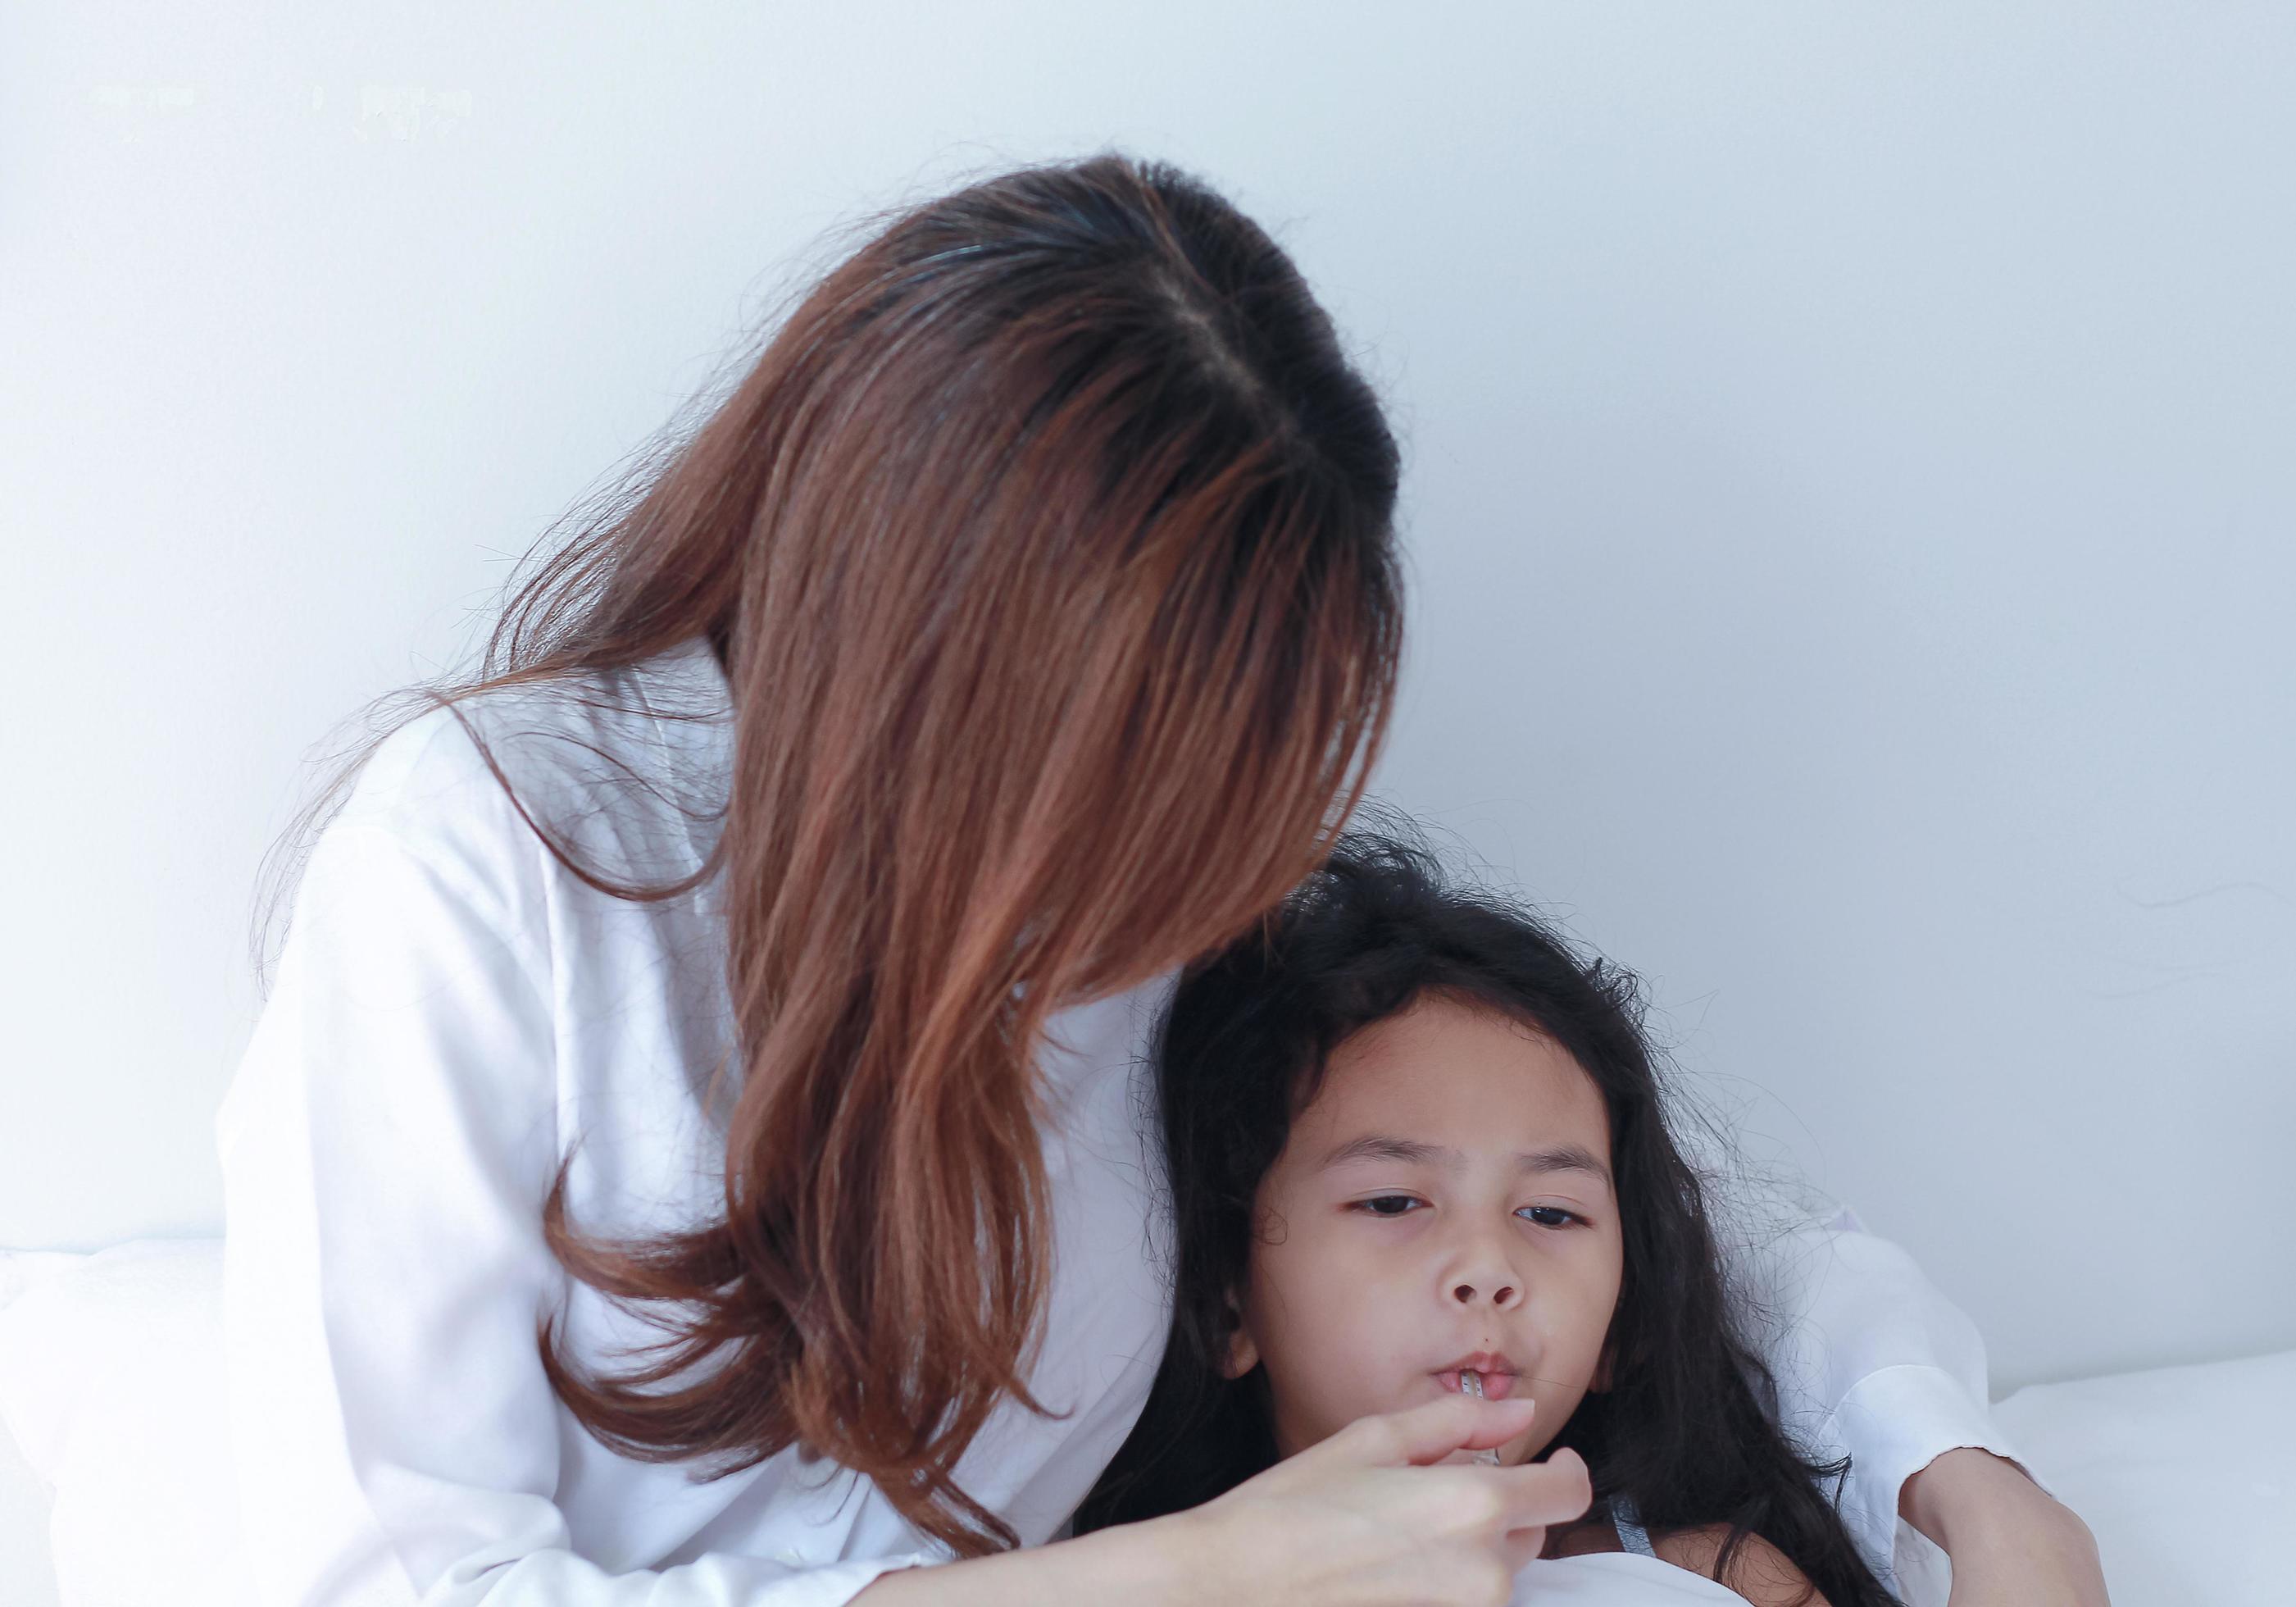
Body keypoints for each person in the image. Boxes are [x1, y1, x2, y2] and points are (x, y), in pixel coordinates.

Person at [216, 152, 2107, 1606]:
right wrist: (1174, 1578)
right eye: (1141, 805)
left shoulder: (1161, 894)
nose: (1185, 902)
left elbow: (1585, 1183)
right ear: (931, 669)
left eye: (1237, 808)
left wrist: (1951, 1471)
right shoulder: (487, 875)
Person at [1073, 820, 1932, 1605]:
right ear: (1229, 1303)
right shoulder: (1129, 1580)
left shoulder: (1711, 1572)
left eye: (1551, 1214)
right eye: (1391, 1200)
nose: (1488, 1268)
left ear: (1620, 1326)